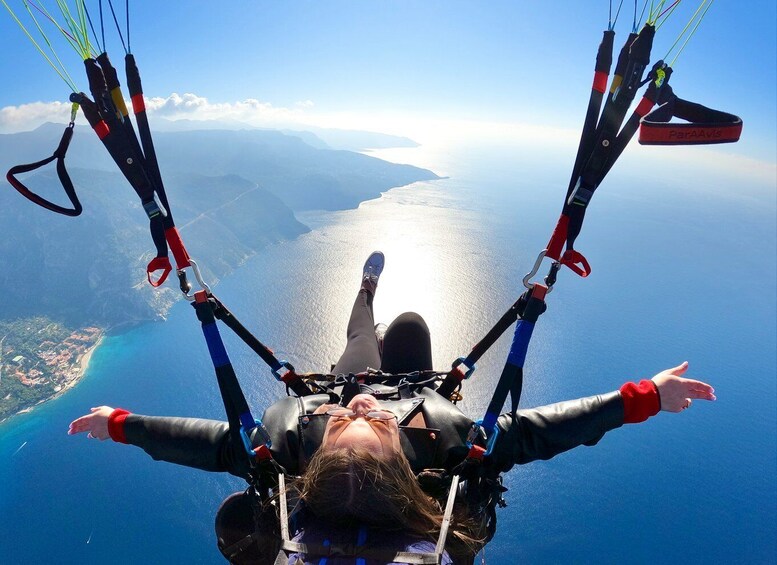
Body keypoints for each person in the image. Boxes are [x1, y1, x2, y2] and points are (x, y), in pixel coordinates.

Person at [69, 251, 716, 565]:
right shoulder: (454, 447)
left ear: (316, 455)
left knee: (359, 339)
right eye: (370, 424)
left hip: (346, 384)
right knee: (410, 329)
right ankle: (379, 299)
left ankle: (364, 287)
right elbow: (546, 430)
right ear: (408, 463)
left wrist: (121, 423)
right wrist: (647, 396)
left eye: (342, 425)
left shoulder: (286, 449)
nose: (358, 407)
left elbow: (202, 442)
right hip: (419, 391)